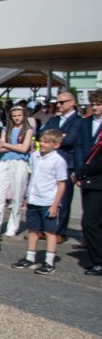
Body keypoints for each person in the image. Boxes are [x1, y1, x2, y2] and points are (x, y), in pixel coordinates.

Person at [12, 129, 68, 275]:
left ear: (56, 145)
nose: (42, 144)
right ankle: (30, 257)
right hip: (33, 199)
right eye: (41, 141)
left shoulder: (58, 161)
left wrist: (55, 204)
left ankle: (49, 262)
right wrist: (27, 196)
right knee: (32, 229)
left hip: (48, 201)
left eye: (46, 142)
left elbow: (61, 183)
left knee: (50, 231)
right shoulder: (35, 156)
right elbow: (32, 176)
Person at [41, 91, 82, 241]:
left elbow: (70, 140)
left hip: (67, 163)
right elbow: (42, 134)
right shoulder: (54, 119)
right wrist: (59, 137)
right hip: (49, 162)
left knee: (64, 200)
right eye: (57, 102)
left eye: (62, 102)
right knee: (47, 197)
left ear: (72, 103)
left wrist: (54, 138)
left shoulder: (78, 121)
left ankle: (60, 231)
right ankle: (45, 228)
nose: (58, 105)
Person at [0, 105, 34, 237]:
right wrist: (14, 146)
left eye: (19, 115)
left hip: (20, 163)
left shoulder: (28, 130)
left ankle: (13, 225)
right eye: (14, 116)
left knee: (17, 196)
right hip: (5, 162)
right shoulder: (5, 129)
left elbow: (24, 149)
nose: (17, 118)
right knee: (0, 195)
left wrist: (6, 145)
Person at [76, 93, 102, 276]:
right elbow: (80, 147)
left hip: (98, 178)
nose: (95, 107)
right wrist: (79, 172)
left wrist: (81, 171)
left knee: (90, 222)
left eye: (99, 104)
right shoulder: (86, 123)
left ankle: (99, 260)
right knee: (91, 220)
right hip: (88, 178)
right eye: (93, 103)